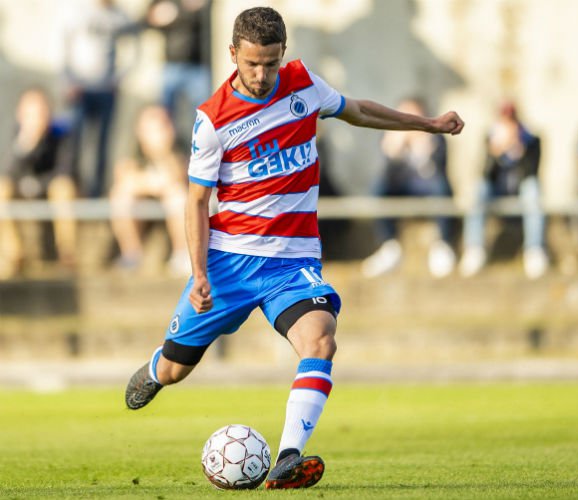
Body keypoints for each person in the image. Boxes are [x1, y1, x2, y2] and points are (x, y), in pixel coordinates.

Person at [124, 6, 464, 490]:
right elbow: (196, 200)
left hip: (292, 262)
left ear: (283, 54)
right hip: (230, 264)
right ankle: (158, 368)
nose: (262, 75)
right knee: (178, 367)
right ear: (232, 55)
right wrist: (199, 273)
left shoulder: (303, 84)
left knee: (321, 338)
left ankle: (287, 459)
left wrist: (426, 125)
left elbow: (359, 111)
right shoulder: (213, 121)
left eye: (271, 63)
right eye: (251, 65)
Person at [360, 97, 456, 279]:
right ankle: (389, 246)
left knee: (441, 188)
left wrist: (422, 148)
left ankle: (443, 245)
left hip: (427, 186)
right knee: (378, 188)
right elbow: (385, 174)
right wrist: (394, 149)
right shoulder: (388, 136)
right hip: (400, 187)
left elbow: (437, 172)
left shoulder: (437, 138)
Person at [459, 101, 547, 279]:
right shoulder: (489, 139)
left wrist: (518, 150)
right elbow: (484, 174)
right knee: (479, 190)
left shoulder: (532, 141)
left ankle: (534, 249)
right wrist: (496, 152)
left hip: (521, 191)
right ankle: (474, 248)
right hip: (497, 190)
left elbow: (532, 173)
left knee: (533, 190)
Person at [63, 0, 138, 197]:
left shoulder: (120, 17)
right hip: (80, 89)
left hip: (106, 90)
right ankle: (73, 191)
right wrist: (68, 80)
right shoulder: (77, 11)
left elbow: (135, 48)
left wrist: (118, 78)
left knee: (102, 145)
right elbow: (63, 44)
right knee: (74, 142)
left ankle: (95, 195)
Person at [0, 88, 77, 278]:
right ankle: (13, 254)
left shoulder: (61, 134)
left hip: (49, 190)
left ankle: (66, 253)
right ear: (20, 114)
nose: (36, 118)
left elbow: (64, 171)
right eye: (30, 113)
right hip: (20, 190)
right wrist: (25, 145)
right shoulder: (14, 135)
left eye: (41, 112)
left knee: (63, 188)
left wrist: (36, 185)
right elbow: (7, 173)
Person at [109, 105, 189, 274]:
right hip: (142, 204)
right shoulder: (130, 147)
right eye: (150, 129)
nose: (156, 134)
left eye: (161, 127)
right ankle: (131, 255)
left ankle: (182, 255)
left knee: (178, 197)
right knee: (120, 197)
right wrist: (153, 183)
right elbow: (123, 177)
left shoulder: (180, 145)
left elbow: (179, 176)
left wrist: (163, 153)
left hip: (172, 202)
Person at [143, 0, 212, 142]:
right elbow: (146, 19)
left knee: (203, 121)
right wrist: (158, 14)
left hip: (198, 66)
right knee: (164, 119)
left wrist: (179, 11)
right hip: (172, 65)